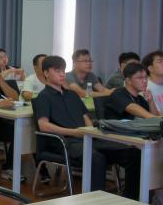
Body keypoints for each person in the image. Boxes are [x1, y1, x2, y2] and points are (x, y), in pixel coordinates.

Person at [35, 56, 141, 197]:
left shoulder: (72, 95)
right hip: (65, 141)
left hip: (86, 138)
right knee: (96, 157)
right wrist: (73, 132)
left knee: (133, 152)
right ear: (46, 73)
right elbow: (43, 126)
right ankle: (96, 199)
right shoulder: (43, 97)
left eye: (63, 70)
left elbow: (86, 117)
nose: (62, 74)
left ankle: (131, 197)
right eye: (57, 71)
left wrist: (90, 132)